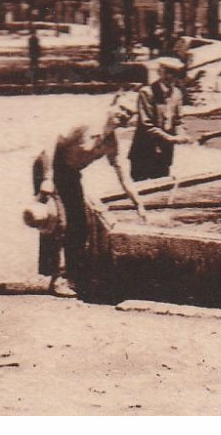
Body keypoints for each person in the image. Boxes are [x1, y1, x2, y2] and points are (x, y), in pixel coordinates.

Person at [33, 96, 147, 297]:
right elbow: (51, 143)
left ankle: (70, 275)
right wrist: (48, 178)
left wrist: (138, 202)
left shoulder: (111, 143)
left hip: (69, 174)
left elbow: (123, 174)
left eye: (129, 113)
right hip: (49, 167)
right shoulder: (87, 123)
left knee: (81, 224)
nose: (123, 115)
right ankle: (55, 278)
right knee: (60, 222)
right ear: (112, 106)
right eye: (122, 108)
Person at [129, 62, 193, 181]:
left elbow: (178, 121)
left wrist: (181, 134)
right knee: (140, 188)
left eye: (176, 74)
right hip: (144, 151)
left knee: (161, 188)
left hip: (165, 152)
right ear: (161, 72)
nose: (172, 77)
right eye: (169, 73)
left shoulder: (177, 93)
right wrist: (170, 138)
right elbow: (147, 125)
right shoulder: (147, 92)